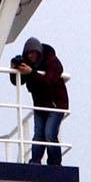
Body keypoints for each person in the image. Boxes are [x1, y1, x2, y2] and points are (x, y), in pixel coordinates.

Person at [11, 38, 70, 167]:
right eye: (29, 53)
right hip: (40, 105)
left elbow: (48, 82)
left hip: (55, 105)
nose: (31, 56)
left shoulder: (53, 63)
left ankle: (54, 163)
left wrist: (31, 73)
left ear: (39, 53)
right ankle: (35, 161)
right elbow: (18, 82)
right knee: (38, 135)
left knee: (49, 133)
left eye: (34, 53)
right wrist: (15, 69)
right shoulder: (29, 64)